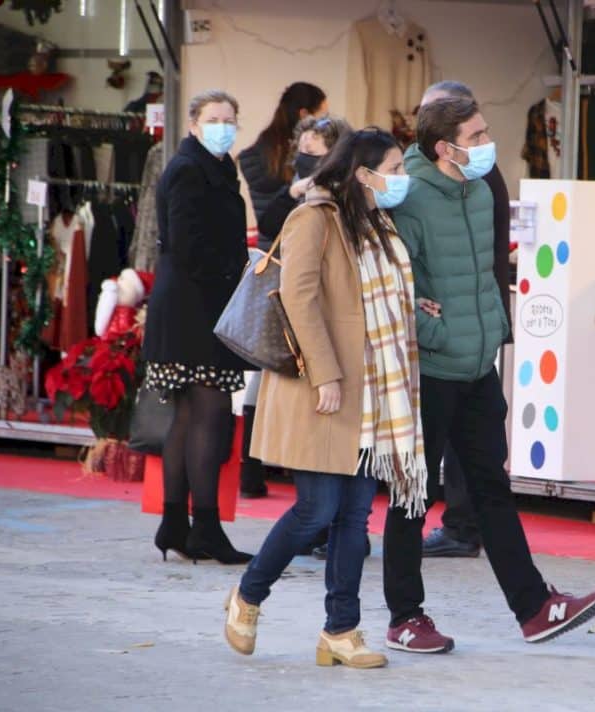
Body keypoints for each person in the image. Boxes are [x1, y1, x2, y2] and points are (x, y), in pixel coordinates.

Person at [382, 97, 595, 653]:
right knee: (414, 495)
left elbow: (484, 274)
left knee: (491, 489)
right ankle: (405, 617)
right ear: (444, 147)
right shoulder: (408, 199)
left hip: (478, 367)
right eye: (476, 134)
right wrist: (432, 332)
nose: (487, 143)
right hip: (430, 371)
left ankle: (534, 608)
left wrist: (492, 332)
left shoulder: (479, 191)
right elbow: (388, 290)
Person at [223, 128, 428, 669]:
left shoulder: (376, 224)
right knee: (317, 510)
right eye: (395, 168)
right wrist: (326, 374)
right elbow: (300, 297)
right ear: (363, 174)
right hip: (325, 387)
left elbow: (366, 298)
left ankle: (341, 630)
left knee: (354, 517)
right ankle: (248, 596)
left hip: (371, 391)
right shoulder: (312, 219)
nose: (401, 179)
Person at [142, 90, 252, 565]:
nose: (222, 126)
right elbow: (188, 245)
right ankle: (202, 526)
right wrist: (237, 271)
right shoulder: (189, 169)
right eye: (213, 118)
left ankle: (175, 523)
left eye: (230, 119)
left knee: (191, 415)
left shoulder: (217, 168)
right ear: (192, 123)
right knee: (210, 413)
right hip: (195, 308)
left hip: (195, 306)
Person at [414, 80, 512, 559]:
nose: (485, 142)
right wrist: (428, 321)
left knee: (476, 454)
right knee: (444, 450)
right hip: (449, 339)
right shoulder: (414, 189)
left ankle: (463, 526)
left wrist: (485, 322)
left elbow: (485, 261)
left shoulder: (480, 181)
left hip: (470, 337)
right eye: (476, 134)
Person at [237, 85, 330, 499]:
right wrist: (295, 190)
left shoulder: (262, 156)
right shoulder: (279, 165)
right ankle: (256, 465)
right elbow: (271, 218)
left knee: (268, 366)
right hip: (281, 270)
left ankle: (253, 466)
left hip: (274, 268)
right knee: (275, 365)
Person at [238, 82, 327, 250]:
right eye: (322, 116)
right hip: (292, 250)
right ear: (304, 114)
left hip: (271, 251)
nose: (325, 123)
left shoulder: (259, 152)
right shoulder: (302, 161)